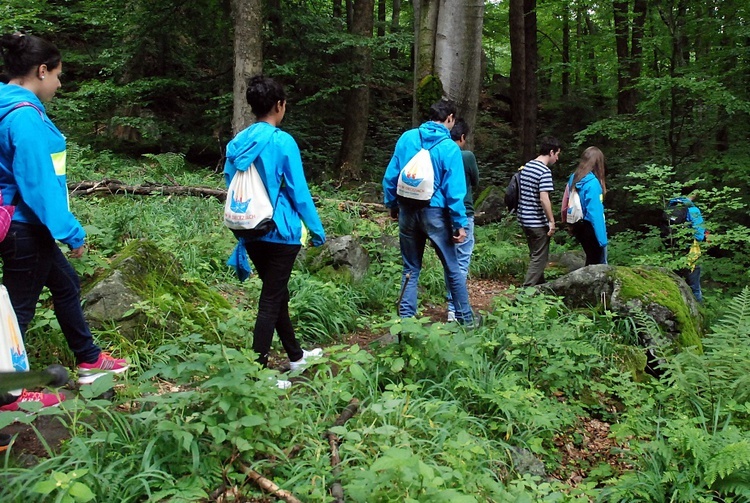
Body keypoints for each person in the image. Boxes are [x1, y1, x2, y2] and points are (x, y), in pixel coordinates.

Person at [0, 33, 128, 412]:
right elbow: (39, 185)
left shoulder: (7, 107)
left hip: (17, 223)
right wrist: (71, 231)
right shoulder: (24, 117)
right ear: (41, 71)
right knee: (18, 309)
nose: (58, 84)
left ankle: (89, 358)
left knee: (66, 282)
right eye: (57, 76)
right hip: (27, 226)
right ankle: (10, 396)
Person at [224, 75, 326, 387]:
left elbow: (231, 183)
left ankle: (295, 356)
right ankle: (258, 374)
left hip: (249, 230)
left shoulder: (237, 143)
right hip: (281, 232)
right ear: (279, 106)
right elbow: (299, 191)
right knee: (270, 300)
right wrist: (316, 229)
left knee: (275, 293)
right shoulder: (283, 142)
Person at [382, 99, 476, 326]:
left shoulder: (407, 138)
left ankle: (406, 321)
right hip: (435, 213)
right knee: (452, 267)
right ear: (450, 119)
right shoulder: (449, 147)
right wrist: (459, 223)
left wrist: (393, 205)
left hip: (407, 209)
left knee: (410, 267)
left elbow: (391, 175)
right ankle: (465, 320)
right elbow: (455, 192)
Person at [445, 119, 479, 322]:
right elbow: (475, 181)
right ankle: (456, 309)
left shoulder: (440, 153)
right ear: (463, 137)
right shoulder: (466, 156)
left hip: (442, 214)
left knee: (449, 261)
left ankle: (451, 307)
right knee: (462, 261)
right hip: (464, 212)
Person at [517, 137, 561, 286]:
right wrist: (551, 221)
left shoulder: (527, 166)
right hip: (537, 222)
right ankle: (526, 292)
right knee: (539, 258)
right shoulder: (544, 171)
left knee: (536, 254)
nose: (557, 158)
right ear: (551, 152)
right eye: (557, 154)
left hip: (524, 219)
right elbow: (544, 198)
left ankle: (540, 288)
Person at [564, 146, 608, 265]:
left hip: (578, 225)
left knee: (590, 259)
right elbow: (595, 213)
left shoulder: (574, 178)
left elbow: (566, 200)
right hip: (590, 227)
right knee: (597, 263)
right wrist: (602, 240)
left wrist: (567, 222)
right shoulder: (592, 184)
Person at [664, 194, 706, 303]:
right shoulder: (693, 210)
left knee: (675, 283)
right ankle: (699, 314)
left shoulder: (669, 207)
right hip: (690, 252)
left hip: (671, 252)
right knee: (694, 286)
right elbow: (700, 236)